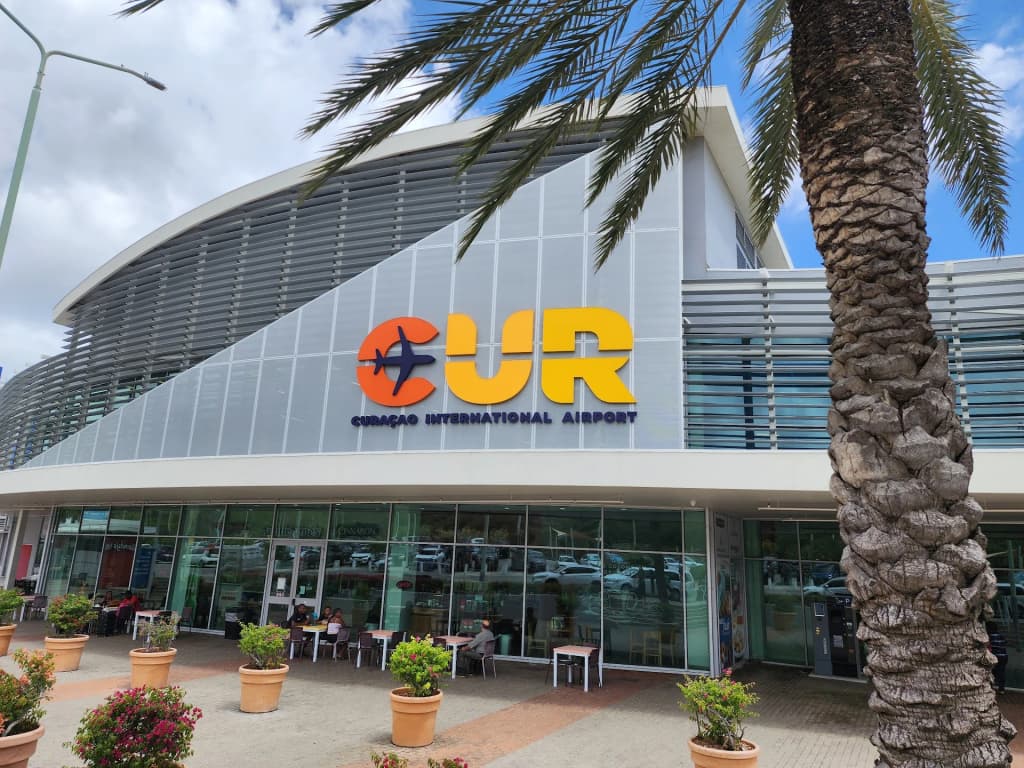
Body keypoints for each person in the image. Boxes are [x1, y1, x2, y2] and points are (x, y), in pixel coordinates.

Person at [987, 621, 1008, 693]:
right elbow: (1005, 642)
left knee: (992, 672)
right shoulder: (1001, 635)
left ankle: (990, 687)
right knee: (1001, 672)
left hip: (995, 656)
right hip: (1004, 656)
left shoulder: (989, 636)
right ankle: (1001, 689)